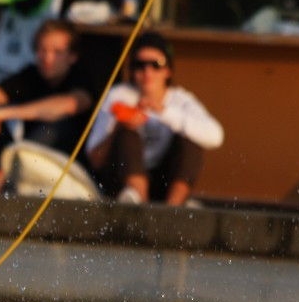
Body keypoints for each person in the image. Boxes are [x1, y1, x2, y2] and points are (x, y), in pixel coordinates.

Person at [85, 32, 223, 206]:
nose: (147, 72)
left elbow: (216, 136)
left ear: (168, 70)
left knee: (191, 138)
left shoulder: (180, 100)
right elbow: (95, 159)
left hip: (163, 182)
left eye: (156, 65)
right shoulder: (119, 95)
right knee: (128, 134)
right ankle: (137, 200)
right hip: (121, 183)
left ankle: (174, 208)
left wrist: (165, 113)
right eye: (139, 65)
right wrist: (119, 125)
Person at [0, 19, 94, 193]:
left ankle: (3, 174)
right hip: (21, 156)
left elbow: (70, 105)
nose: (48, 58)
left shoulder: (83, 79)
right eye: (42, 50)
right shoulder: (30, 75)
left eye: (57, 52)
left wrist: (0, 114)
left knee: (53, 128)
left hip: (66, 166)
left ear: (72, 56)